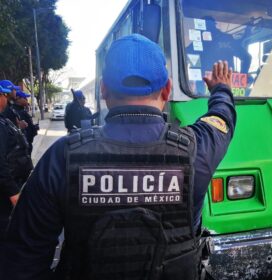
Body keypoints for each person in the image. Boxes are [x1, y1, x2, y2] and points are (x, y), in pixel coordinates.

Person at [2, 34, 236, 280]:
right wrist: (221, 88)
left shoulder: (61, 157)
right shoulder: (197, 148)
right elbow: (222, 119)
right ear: (167, 89)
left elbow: (23, 261)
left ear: (103, 89)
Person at [0, 85, 32, 244]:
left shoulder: (4, 119)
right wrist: (13, 193)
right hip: (6, 191)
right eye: (3, 95)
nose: (6, 99)